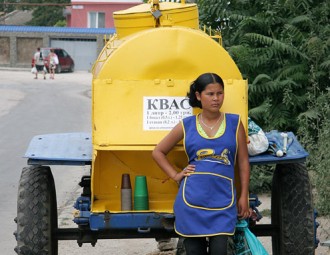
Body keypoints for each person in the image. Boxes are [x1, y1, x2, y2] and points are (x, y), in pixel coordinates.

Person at [152, 73, 250, 255]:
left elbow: (243, 162)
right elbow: (158, 152)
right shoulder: (187, 125)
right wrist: (175, 175)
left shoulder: (235, 123)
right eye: (210, 94)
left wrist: (244, 195)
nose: (216, 99)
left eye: (220, 93)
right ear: (198, 96)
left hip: (223, 201)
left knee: (220, 251)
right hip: (191, 203)